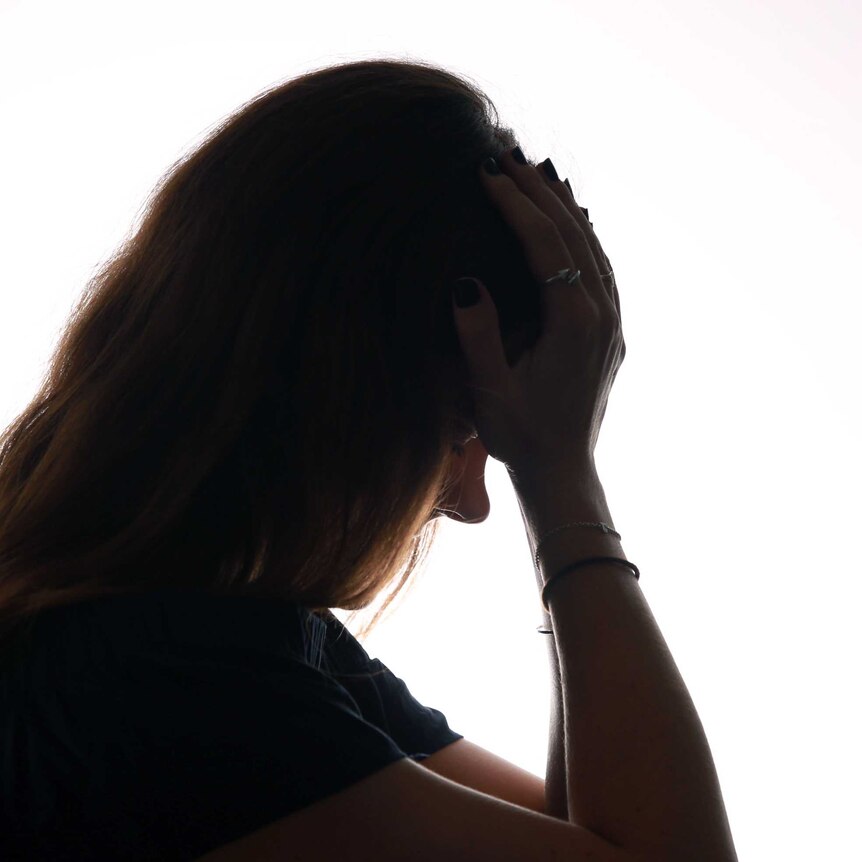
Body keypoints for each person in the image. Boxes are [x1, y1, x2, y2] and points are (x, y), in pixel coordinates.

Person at [0, 59, 738, 861]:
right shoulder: (169, 685)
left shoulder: (224, 653)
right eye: (465, 431)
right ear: (349, 396)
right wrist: (559, 475)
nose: (469, 502)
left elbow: (574, 835)